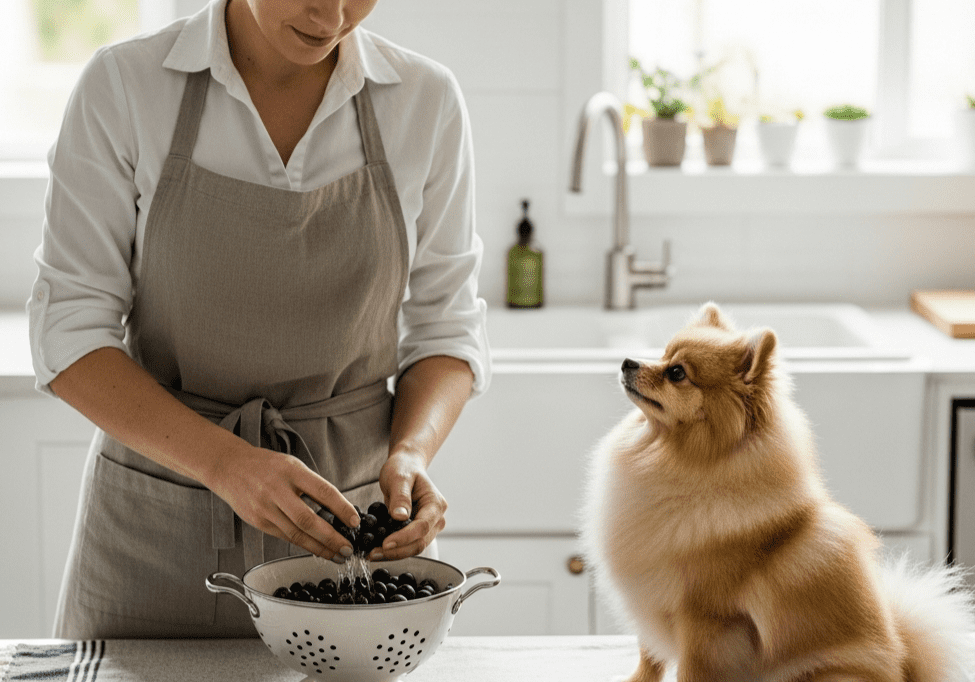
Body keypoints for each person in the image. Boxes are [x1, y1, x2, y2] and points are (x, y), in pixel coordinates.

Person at [26, 0, 489, 639]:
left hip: (349, 531)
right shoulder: (126, 85)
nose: (330, 16)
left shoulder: (425, 101)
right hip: (153, 527)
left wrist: (409, 454)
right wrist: (227, 464)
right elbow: (69, 331)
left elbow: (446, 327)